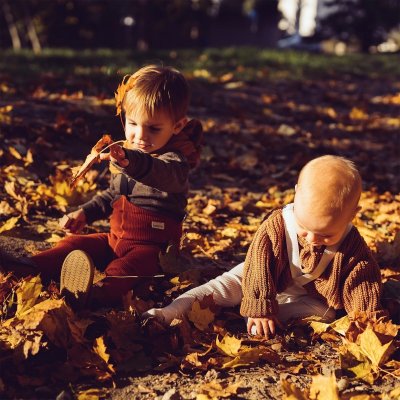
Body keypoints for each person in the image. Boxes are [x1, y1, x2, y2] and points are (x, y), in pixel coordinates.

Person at [1, 65, 203, 308]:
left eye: (153, 128)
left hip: (153, 251)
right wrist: (85, 212)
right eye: (132, 123)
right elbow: (112, 195)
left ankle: (93, 294)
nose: (140, 135)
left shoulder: (174, 163)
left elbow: (161, 175)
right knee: (73, 245)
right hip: (114, 240)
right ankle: (30, 268)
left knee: (124, 270)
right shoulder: (128, 153)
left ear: (177, 126)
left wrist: (131, 162)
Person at [145, 155, 387, 337]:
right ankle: (169, 312)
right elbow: (260, 264)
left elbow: (362, 283)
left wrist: (367, 322)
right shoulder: (278, 225)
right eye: (305, 228)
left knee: (326, 314)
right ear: (295, 196)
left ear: (352, 215)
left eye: (325, 235)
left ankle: (254, 315)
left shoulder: (352, 245)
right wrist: (260, 303)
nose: (313, 239)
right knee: (221, 288)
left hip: (307, 295)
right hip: (260, 274)